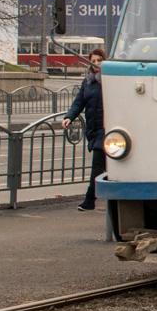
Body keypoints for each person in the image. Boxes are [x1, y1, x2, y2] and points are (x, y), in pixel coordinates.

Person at [63, 47, 106, 211]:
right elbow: (79, 101)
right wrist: (69, 117)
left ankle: (89, 200)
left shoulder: (110, 79)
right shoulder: (88, 81)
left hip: (106, 130)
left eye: (99, 60)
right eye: (93, 61)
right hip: (93, 129)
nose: (96, 63)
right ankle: (116, 198)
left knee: (97, 166)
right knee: (107, 168)